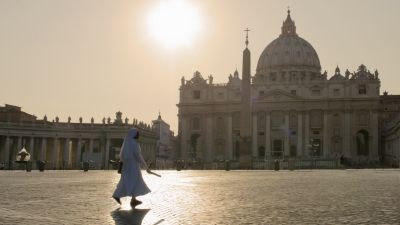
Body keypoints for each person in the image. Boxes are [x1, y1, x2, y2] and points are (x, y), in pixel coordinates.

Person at [112, 128, 151, 207]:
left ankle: (133, 199)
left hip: (126, 166)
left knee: (127, 180)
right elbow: (138, 156)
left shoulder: (127, 143)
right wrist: (146, 166)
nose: (138, 136)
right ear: (135, 135)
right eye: (138, 134)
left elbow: (122, 156)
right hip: (133, 166)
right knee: (135, 180)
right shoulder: (135, 144)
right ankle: (117, 195)